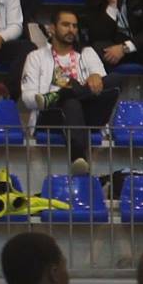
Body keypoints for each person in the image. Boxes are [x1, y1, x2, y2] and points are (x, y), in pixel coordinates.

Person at [20, 9, 119, 169]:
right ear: (52, 28)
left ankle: (63, 93)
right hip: (51, 114)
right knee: (71, 102)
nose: (71, 29)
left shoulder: (87, 54)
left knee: (115, 79)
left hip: (88, 111)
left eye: (74, 26)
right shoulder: (36, 57)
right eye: (66, 25)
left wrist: (95, 77)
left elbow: (101, 85)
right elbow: (28, 98)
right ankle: (78, 157)